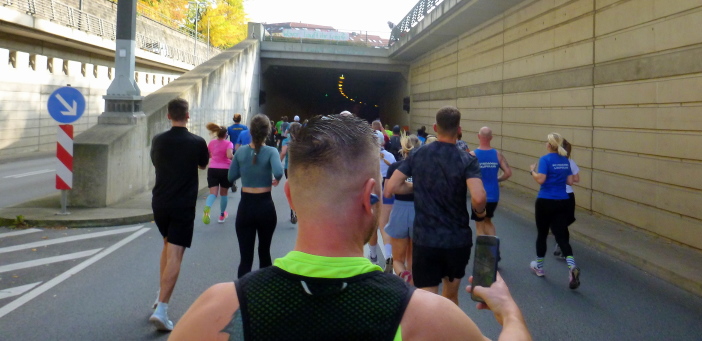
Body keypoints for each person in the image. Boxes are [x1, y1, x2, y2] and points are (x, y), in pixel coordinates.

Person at [169, 114, 531, 341]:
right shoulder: (427, 318)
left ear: (291, 196)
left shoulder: (218, 308)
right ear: (369, 197)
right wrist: (509, 312)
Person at [390, 106, 487, 305]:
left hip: (425, 239)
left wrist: (419, 186)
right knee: (450, 298)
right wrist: (480, 213)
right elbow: (478, 198)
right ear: (458, 130)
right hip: (456, 240)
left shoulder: (418, 154)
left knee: (426, 299)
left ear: (435, 128)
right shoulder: (467, 159)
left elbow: (393, 186)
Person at [148, 98, 209, 331]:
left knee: (166, 244)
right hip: (182, 204)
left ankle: (159, 295)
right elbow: (203, 165)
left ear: (168, 116)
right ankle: (162, 310)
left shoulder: (158, 140)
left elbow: (155, 162)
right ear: (188, 115)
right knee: (176, 254)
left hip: (160, 202)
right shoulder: (197, 142)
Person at [228, 114, 284, 277]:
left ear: (250, 131)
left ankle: (243, 291)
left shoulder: (241, 152)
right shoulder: (271, 151)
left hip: (246, 206)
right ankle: (264, 290)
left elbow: (231, 176)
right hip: (265, 206)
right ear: (268, 132)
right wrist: (276, 179)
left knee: (245, 258)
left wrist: (246, 170)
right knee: (264, 253)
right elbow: (278, 172)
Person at [529, 132, 581, 289]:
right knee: (561, 236)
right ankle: (572, 266)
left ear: (549, 145)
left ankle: (539, 266)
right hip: (562, 201)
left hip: (545, 200)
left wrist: (532, 171)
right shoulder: (565, 160)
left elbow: (541, 179)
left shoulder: (545, 159)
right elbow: (570, 181)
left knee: (542, 234)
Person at [383, 134, 421, 283]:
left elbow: (387, 192)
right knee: (413, 257)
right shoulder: (424, 168)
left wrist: (403, 186)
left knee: (398, 259)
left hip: (399, 211)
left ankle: (404, 278)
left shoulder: (395, 167)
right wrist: (415, 187)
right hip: (419, 211)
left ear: (404, 149)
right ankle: (412, 286)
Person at [473, 127, 513, 237]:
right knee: (488, 221)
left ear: (478, 136)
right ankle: (493, 245)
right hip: (493, 195)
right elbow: (508, 173)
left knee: (479, 224)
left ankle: (482, 247)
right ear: (491, 138)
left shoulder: (473, 155)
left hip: (478, 195)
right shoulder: (497, 154)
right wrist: (497, 179)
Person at [368, 129, 395, 272]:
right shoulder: (390, 156)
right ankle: (389, 254)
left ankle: (373, 256)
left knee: (372, 226)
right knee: (385, 226)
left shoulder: (365, 157)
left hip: (372, 193)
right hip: (387, 193)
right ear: (382, 142)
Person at [203, 123, 234, 224]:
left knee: (213, 193)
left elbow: (209, 155)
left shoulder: (212, 143)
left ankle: (207, 207)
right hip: (225, 170)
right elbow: (229, 155)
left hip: (212, 169)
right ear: (225, 135)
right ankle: (221, 215)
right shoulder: (228, 143)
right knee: (224, 194)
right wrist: (235, 158)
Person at [554, 138, 580, 258]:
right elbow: (576, 179)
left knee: (559, 223)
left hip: (557, 195)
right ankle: (562, 246)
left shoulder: (552, 161)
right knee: (564, 222)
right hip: (569, 196)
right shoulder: (570, 162)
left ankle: (561, 244)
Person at [279, 121, 302, 223]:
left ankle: (293, 211)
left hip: (289, 167)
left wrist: (278, 162)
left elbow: (283, 152)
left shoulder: (287, 141)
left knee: (292, 189)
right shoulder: (304, 141)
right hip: (302, 168)